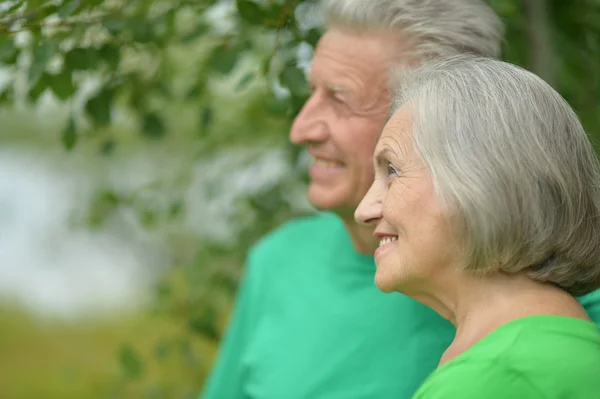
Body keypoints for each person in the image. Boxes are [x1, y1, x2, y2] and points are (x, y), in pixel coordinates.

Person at [201, 1, 600, 398]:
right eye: (312, 92)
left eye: (341, 99)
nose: (301, 129)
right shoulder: (279, 263)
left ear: (469, 127)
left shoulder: (558, 304)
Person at [355, 55, 600, 398]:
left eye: (392, 170)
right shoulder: (570, 349)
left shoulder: (493, 377)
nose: (364, 210)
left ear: (480, 179)